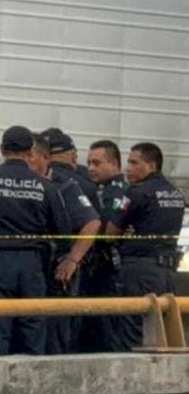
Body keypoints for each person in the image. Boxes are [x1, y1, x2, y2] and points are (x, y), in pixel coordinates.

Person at [0, 126, 71, 356]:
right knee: (32, 328)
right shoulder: (46, 186)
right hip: (33, 264)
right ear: (30, 150)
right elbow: (63, 230)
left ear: (2, 149)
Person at [106, 142, 185, 352]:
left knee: (132, 333)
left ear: (151, 165)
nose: (127, 168)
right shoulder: (175, 193)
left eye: (134, 162)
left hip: (139, 270)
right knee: (161, 333)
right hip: (166, 272)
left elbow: (110, 233)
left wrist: (124, 232)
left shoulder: (137, 193)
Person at [38, 130, 100, 355]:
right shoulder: (85, 184)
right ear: (72, 154)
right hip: (72, 264)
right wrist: (75, 258)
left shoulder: (44, 182)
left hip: (42, 263)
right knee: (64, 325)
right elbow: (96, 223)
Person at [78, 139, 128, 352]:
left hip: (108, 269)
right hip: (102, 267)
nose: (90, 168)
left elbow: (108, 230)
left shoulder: (114, 192)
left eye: (97, 163)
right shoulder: (102, 189)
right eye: (89, 162)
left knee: (105, 331)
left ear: (114, 164)